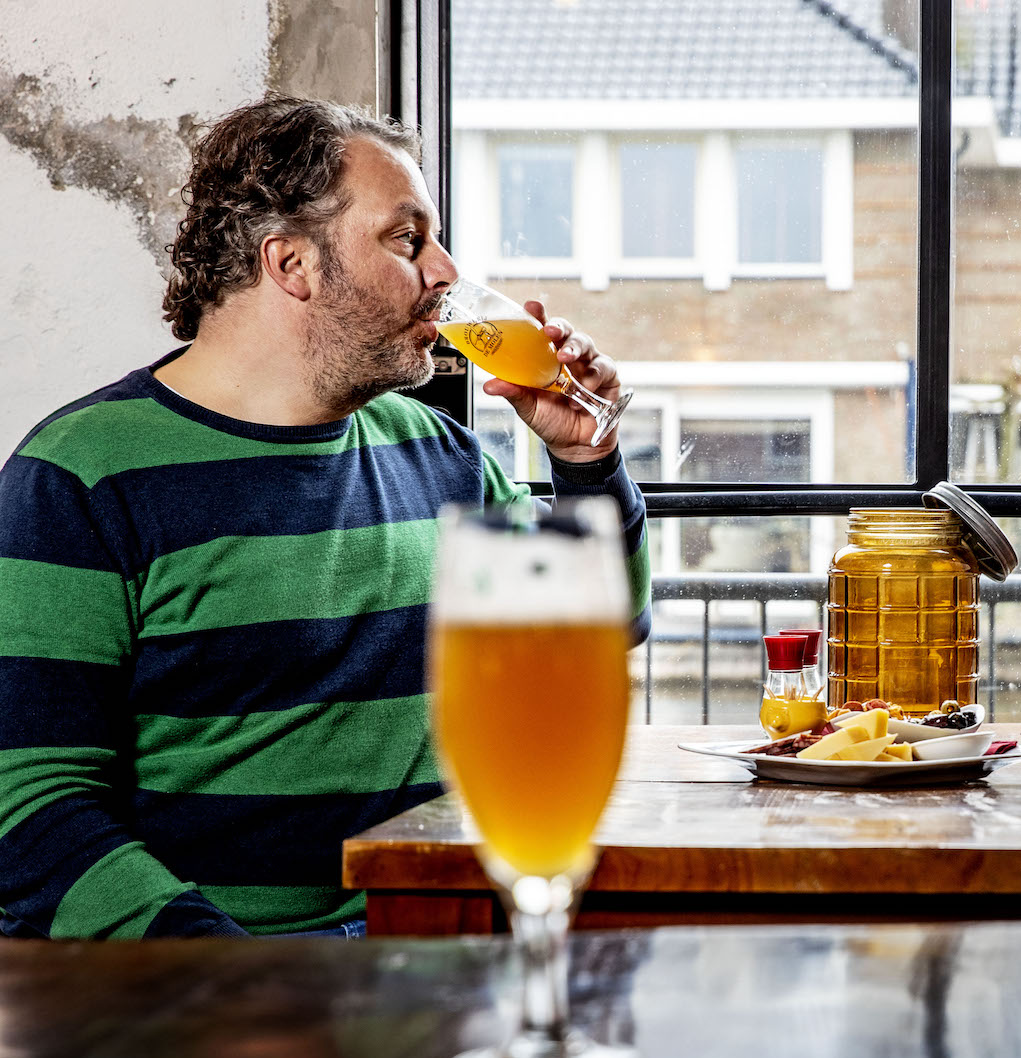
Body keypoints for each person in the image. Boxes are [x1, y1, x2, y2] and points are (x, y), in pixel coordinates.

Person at [0, 96, 650, 940]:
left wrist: (586, 456)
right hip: (202, 1003)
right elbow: (29, 810)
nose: (447, 272)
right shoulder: (80, 478)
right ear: (293, 264)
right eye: (407, 239)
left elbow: (606, 627)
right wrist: (239, 987)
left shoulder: (444, 459)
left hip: (430, 961)